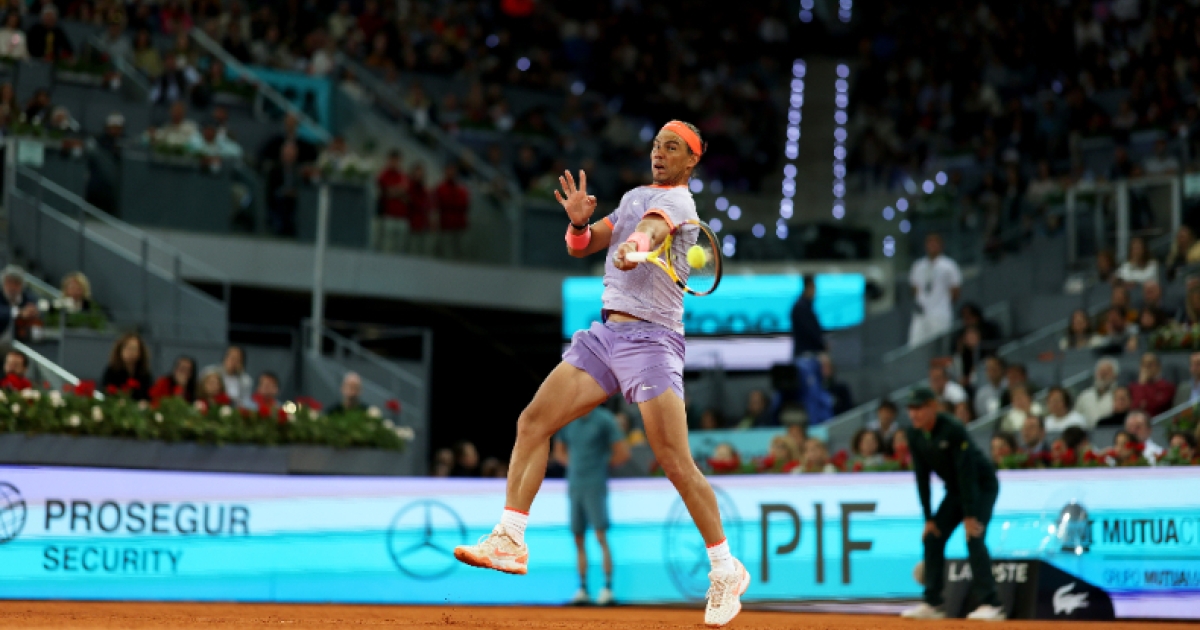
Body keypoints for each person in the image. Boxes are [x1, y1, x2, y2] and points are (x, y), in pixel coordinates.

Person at [453, 121, 750, 627]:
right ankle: (510, 538)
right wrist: (578, 224)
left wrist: (637, 246)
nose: (659, 153)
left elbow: (650, 231)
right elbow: (586, 245)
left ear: (691, 161)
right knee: (533, 422)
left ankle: (725, 568)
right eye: (656, 145)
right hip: (606, 335)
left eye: (672, 147)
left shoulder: (679, 205)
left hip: (653, 341)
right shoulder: (634, 196)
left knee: (675, 462)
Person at [900, 387, 1004, 620]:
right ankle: (933, 603)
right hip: (956, 490)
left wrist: (970, 515)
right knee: (933, 537)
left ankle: (992, 604)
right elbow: (921, 477)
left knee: (974, 537)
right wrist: (928, 518)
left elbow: (967, 473)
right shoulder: (914, 434)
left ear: (933, 406)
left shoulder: (953, 429)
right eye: (910, 409)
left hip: (981, 486)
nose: (913, 414)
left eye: (919, 408)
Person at [552, 406, 631, 606]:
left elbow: (622, 452)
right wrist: (576, 465)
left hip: (595, 485)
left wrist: (599, 465)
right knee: (578, 537)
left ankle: (607, 588)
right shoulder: (568, 418)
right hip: (575, 485)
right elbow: (558, 451)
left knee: (600, 535)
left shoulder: (604, 420)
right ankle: (583, 589)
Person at [908, 233, 961, 347]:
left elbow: (955, 291)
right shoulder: (918, 265)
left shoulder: (949, 265)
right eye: (929, 243)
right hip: (921, 314)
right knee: (915, 344)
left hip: (940, 312)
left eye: (935, 243)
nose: (932, 246)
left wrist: (942, 303)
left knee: (939, 345)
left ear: (941, 246)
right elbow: (914, 288)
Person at [100, 332, 153, 400]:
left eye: (134, 349)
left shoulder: (144, 373)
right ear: (120, 350)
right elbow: (105, 392)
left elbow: (150, 395)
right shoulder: (111, 371)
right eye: (128, 348)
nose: (131, 352)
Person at [376, 150, 410, 253]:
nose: (395, 163)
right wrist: (399, 192)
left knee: (400, 248)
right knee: (387, 246)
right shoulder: (384, 174)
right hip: (388, 216)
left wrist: (394, 191)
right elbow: (387, 192)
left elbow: (406, 192)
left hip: (402, 216)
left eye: (397, 160)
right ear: (389, 160)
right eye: (393, 160)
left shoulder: (403, 176)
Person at [435, 163, 470, 259]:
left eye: (453, 171)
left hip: (460, 226)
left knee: (460, 255)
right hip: (446, 226)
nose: (451, 173)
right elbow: (444, 203)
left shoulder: (461, 188)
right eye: (449, 170)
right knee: (447, 254)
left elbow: (464, 204)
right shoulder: (441, 188)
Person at [1129, 352, 1176, 417]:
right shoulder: (1133, 387)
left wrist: (1143, 385)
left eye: (1150, 364)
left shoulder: (1167, 387)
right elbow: (1135, 409)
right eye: (1143, 365)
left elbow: (1154, 407)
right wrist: (1141, 384)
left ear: (1158, 367)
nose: (1146, 368)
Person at [1075, 358, 1118, 427]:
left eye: (1106, 372)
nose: (1103, 375)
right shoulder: (1084, 396)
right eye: (1100, 372)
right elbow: (1077, 418)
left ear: (1115, 375)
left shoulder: (1119, 395)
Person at [790, 275, 825, 356]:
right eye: (814, 288)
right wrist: (822, 345)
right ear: (809, 287)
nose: (815, 292)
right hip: (806, 354)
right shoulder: (802, 308)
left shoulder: (802, 306)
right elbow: (810, 331)